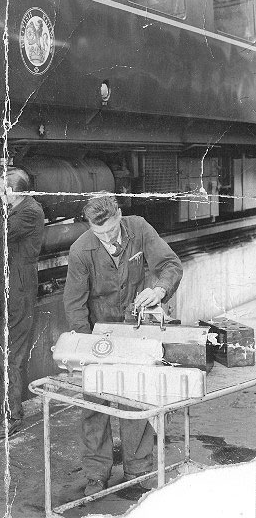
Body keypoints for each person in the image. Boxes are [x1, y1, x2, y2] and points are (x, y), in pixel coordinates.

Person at [62, 195, 183, 497]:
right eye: (99, 233)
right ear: (89, 226)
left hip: (134, 329)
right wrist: (85, 347)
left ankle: (139, 471)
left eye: (112, 230)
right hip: (97, 334)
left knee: (136, 397)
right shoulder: (81, 250)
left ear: (119, 215)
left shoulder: (139, 229)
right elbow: (74, 303)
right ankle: (95, 474)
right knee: (95, 404)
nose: (107, 237)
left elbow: (170, 264)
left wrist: (158, 289)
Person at [0, 168, 45, 438]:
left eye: (3, 188)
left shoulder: (30, 211)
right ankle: (6, 409)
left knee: (11, 354)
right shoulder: (18, 207)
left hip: (18, 289)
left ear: (15, 191)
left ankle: (12, 418)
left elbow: (1, 232)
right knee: (2, 351)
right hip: (7, 286)